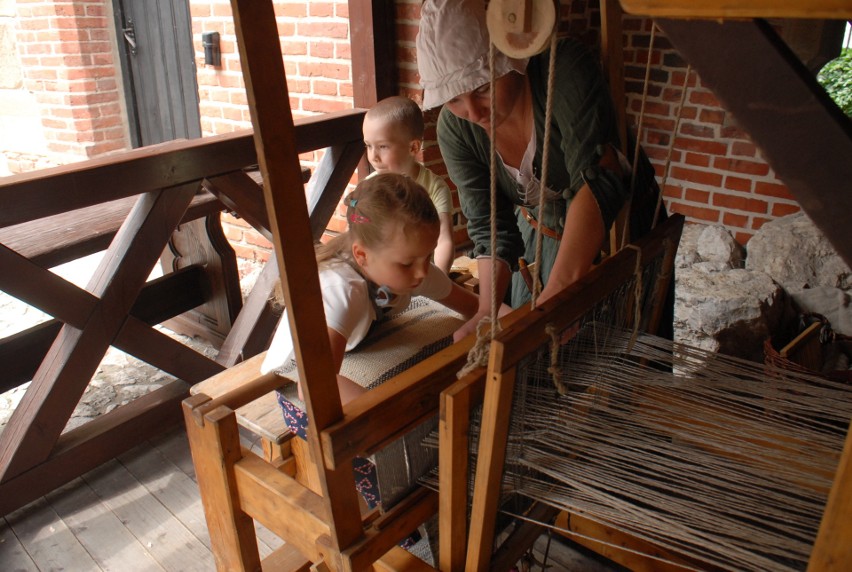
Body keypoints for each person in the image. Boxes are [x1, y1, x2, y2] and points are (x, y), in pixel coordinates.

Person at [416, 0, 668, 340]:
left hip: (622, 223)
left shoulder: (562, 68)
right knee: (538, 356)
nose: (473, 113)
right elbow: (491, 226)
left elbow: (598, 178)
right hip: (542, 236)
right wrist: (488, 310)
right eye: (454, 100)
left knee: (631, 342)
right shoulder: (455, 130)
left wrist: (556, 299)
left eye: (483, 88)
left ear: (513, 58)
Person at [260, 172, 481, 405]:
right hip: (287, 386)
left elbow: (479, 308)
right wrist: (390, 415)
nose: (422, 272)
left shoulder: (410, 267)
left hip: (350, 352)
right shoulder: (342, 289)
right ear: (362, 255)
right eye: (407, 263)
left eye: (428, 256)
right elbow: (313, 385)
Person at [363, 95, 455, 273]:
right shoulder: (367, 189)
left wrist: (439, 277)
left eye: (382, 146)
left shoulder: (434, 188)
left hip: (420, 274)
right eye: (368, 145)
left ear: (413, 148)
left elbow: (444, 239)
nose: (373, 156)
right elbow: (355, 228)